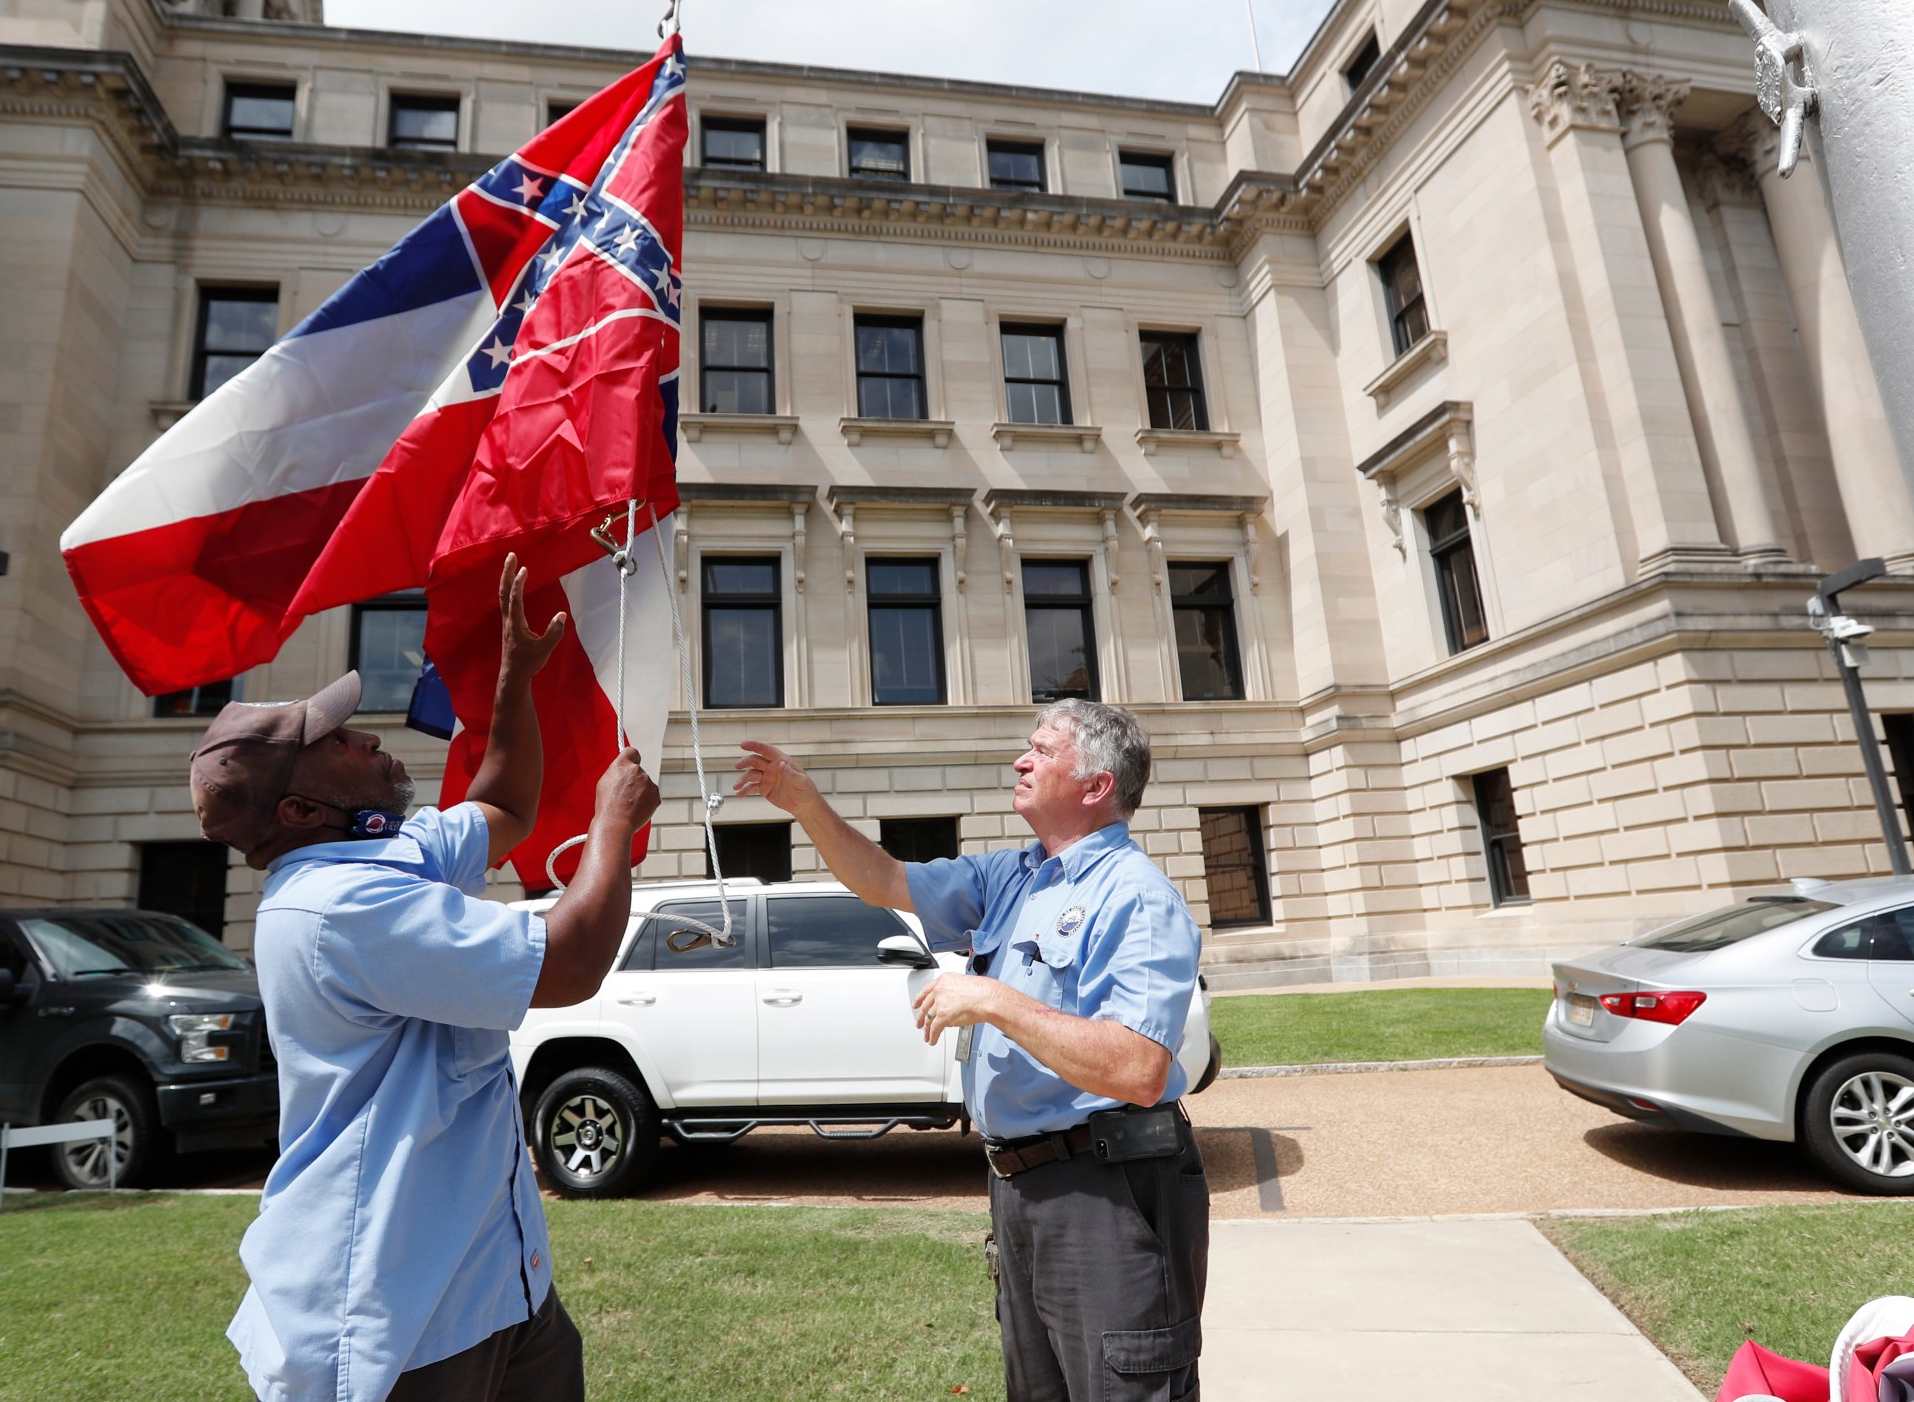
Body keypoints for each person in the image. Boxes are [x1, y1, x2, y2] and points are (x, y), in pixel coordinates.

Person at [195, 557, 659, 1402]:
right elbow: (573, 960)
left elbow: (507, 809)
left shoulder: (375, 859)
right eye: (338, 743)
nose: (367, 736)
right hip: (395, 1315)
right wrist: (612, 821)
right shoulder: (340, 905)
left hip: (493, 1283)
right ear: (297, 812)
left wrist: (515, 682)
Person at [733, 700, 1206, 1402]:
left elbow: (1138, 1069)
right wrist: (804, 802)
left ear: (1096, 786)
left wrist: (994, 1000)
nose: (1021, 760)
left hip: (1109, 1195)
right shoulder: (1011, 876)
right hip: (1022, 1190)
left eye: (1042, 751)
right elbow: (883, 879)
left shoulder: (1134, 896)